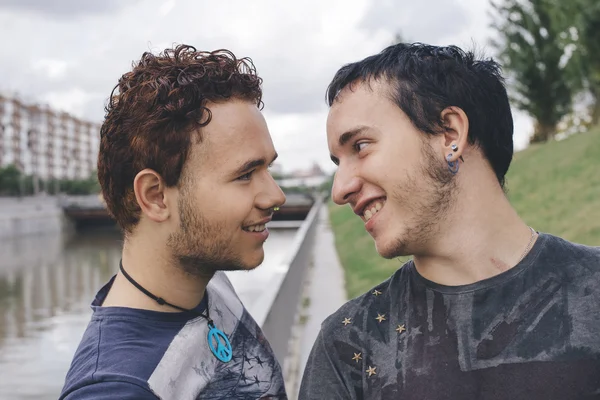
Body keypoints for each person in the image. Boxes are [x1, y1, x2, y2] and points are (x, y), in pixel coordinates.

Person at [299, 43, 600, 399]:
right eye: (337, 162)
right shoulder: (348, 346)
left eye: (360, 146)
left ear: (449, 134)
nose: (340, 190)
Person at [59, 44, 288, 399]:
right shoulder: (115, 388)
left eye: (267, 168)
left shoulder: (209, 284)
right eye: (245, 174)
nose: (276, 196)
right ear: (155, 196)